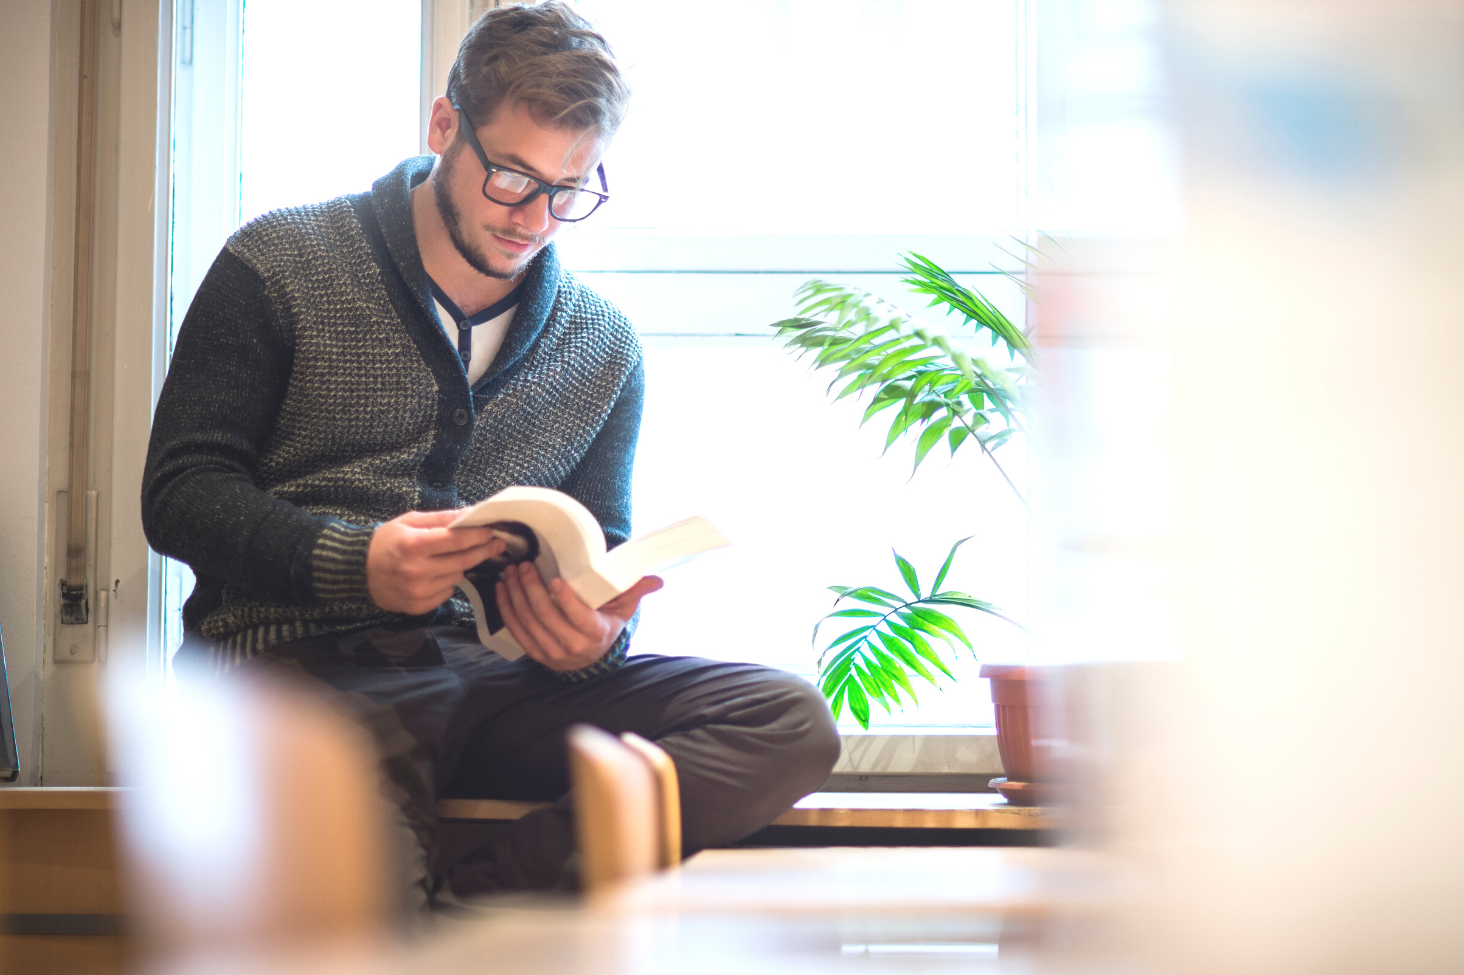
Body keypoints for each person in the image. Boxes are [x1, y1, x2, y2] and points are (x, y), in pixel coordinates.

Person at [141, 1, 839, 910]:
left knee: (784, 718)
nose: (536, 217)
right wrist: (359, 562)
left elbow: (600, 557)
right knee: (364, 921)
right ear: (444, 128)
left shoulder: (602, 345)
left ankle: (481, 918)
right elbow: (181, 494)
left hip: (492, 684)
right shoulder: (281, 262)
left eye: (571, 187)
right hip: (298, 676)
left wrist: (592, 638)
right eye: (512, 176)